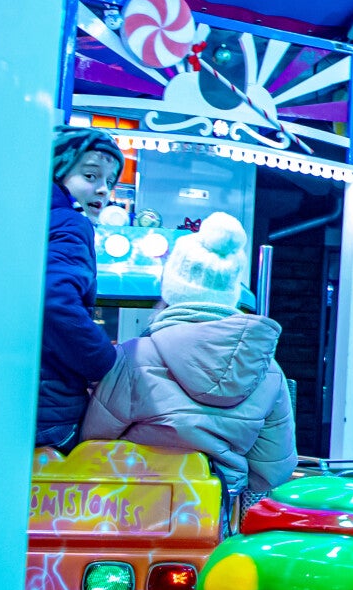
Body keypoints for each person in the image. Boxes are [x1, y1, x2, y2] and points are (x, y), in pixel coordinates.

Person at [80, 213, 296, 497]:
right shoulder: (267, 371)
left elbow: (91, 444)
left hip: (133, 508)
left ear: (171, 290)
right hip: (216, 511)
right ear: (231, 294)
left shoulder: (133, 357)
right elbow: (274, 471)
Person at [38, 127, 124, 451]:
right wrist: (104, 361)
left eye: (110, 181)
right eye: (90, 175)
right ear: (58, 171)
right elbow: (54, 301)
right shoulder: (71, 222)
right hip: (51, 413)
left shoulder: (31, 217)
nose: (103, 189)